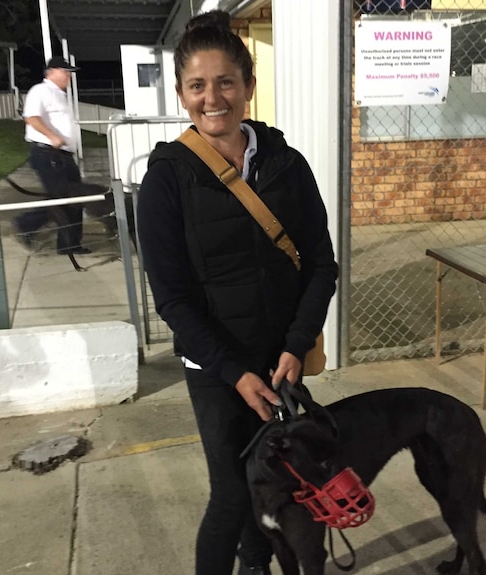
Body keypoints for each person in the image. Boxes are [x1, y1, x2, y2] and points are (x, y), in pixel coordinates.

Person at [135, 10, 338, 575]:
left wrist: (296, 345)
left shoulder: (286, 165)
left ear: (248, 85)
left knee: (280, 488)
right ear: (181, 94)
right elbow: (172, 299)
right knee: (230, 496)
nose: (213, 97)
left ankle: (257, 567)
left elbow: (321, 265)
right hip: (219, 371)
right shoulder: (167, 179)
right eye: (197, 85)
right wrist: (233, 370)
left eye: (226, 81)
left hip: (282, 362)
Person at [14, 56, 90, 256]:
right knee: (61, 199)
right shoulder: (41, 91)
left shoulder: (60, 95)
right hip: (48, 153)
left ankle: (69, 244)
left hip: (64, 155)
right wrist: (53, 136)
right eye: (66, 72)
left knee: (75, 198)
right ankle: (25, 223)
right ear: (52, 71)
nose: (69, 77)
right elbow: (31, 117)